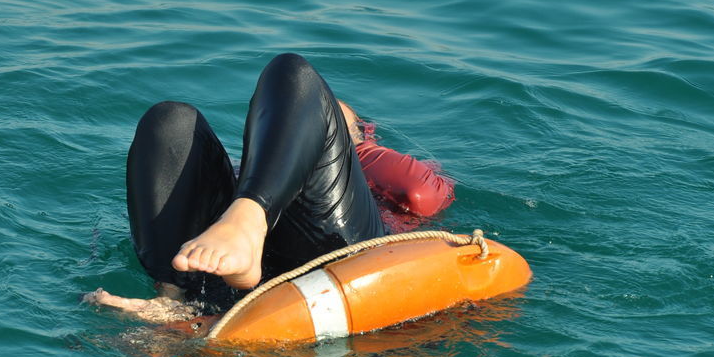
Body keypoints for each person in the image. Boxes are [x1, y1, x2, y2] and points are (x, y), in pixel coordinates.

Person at [85, 52, 454, 323]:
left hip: (335, 257)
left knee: (293, 74)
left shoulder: (361, 162)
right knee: (170, 121)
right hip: (221, 278)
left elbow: (419, 194)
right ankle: (171, 300)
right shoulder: (253, 170)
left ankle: (247, 223)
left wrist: (358, 144)